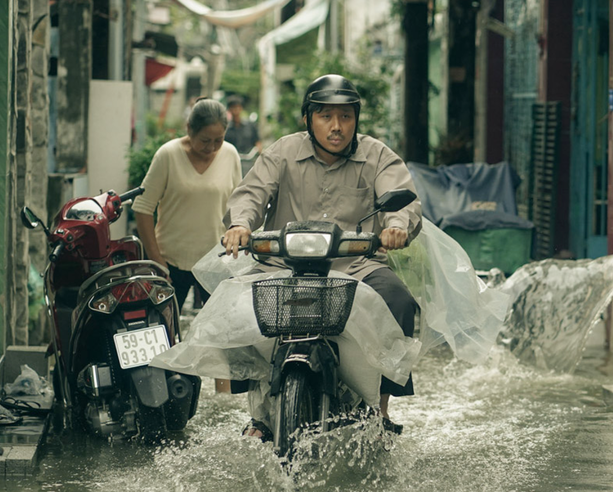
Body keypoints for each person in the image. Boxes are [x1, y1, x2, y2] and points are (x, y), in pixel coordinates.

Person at [222, 74, 422, 438]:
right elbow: (251, 193)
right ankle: (258, 409)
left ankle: (379, 407)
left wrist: (396, 226)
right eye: (326, 116)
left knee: (398, 299)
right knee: (234, 305)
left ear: (356, 120)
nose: (336, 127)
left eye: (346, 117)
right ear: (308, 120)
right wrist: (240, 225)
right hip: (283, 265)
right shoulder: (282, 152)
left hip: (356, 265)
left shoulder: (376, 155)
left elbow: (401, 195)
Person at [132, 98, 243, 393]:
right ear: (188, 130)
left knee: (220, 336)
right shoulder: (168, 155)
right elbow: (142, 208)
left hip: (216, 262)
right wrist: (157, 261)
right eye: (205, 140)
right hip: (172, 262)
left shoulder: (230, 155)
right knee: (164, 336)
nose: (212, 148)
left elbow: (238, 206)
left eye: (218, 140)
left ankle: (222, 399)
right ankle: (163, 395)